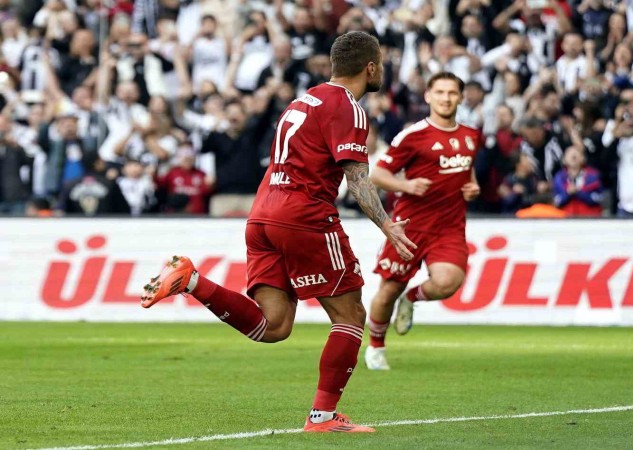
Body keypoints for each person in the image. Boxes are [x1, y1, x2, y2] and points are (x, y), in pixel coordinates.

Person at [139, 31, 415, 433]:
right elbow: (356, 178)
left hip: (263, 214)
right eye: (382, 65)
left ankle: (191, 280)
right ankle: (322, 417)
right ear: (370, 67)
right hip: (304, 216)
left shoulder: (302, 101)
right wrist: (386, 223)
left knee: (274, 326)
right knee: (351, 315)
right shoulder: (349, 107)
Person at [364, 72, 480, 371]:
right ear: (428, 96)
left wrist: (473, 186)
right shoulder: (413, 136)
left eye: (452, 93)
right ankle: (376, 347)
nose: (445, 98)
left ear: (460, 97)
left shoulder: (471, 135)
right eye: (439, 92)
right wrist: (406, 185)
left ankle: (411, 298)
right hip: (410, 226)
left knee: (448, 282)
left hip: (449, 226)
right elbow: (378, 174)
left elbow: (466, 170)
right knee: (388, 290)